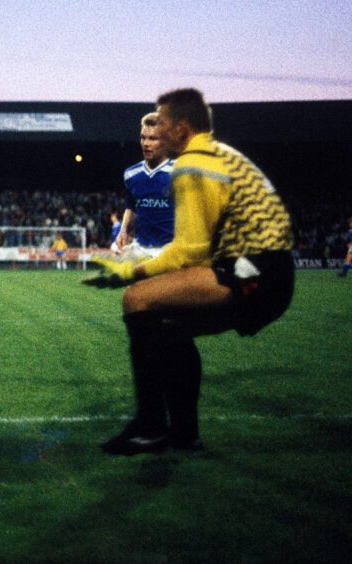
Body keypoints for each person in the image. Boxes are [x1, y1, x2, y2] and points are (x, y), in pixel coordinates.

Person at [84, 88, 294, 455]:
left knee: (138, 299)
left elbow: (190, 253)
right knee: (168, 328)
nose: (154, 131)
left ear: (181, 129)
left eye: (161, 123)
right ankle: (184, 434)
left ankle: (150, 426)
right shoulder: (218, 155)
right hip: (264, 270)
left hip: (254, 271)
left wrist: (129, 272)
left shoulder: (194, 164)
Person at [115, 112, 175, 259]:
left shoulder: (179, 173)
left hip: (171, 249)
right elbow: (130, 206)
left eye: (153, 138)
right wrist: (123, 230)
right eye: (143, 138)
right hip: (142, 248)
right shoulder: (131, 174)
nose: (146, 143)